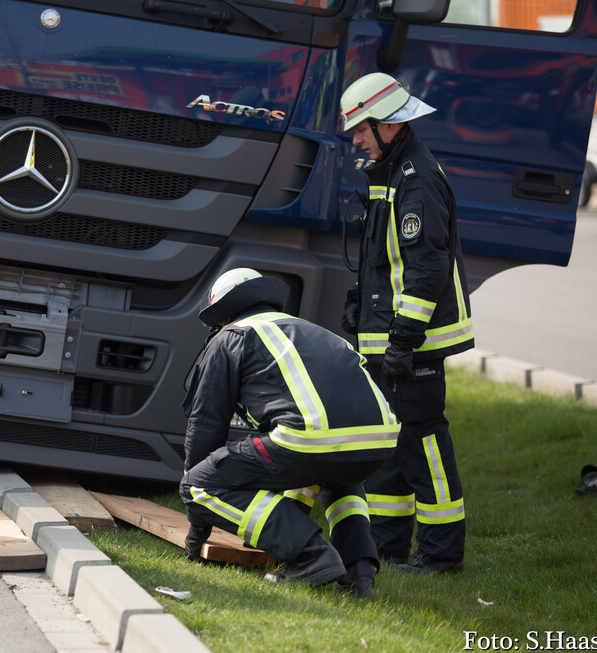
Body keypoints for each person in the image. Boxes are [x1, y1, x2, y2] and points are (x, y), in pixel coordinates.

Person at [179, 268, 400, 598]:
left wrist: (197, 521)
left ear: (223, 317)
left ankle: (311, 556)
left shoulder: (230, 337)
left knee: (197, 485)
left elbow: (206, 429)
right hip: (380, 437)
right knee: (336, 474)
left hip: (311, 437)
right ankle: (360, 571)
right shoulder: (309, 329)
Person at [339, 72, 474, 573]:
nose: (355, 140)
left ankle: (441, 557)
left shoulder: (415, 179)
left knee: (423, 443)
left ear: (388, 125)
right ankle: (388, 546)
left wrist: (401, 341)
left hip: (414, 345)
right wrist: (361, 303)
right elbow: (386, 260)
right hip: (391, 340)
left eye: (360, 129)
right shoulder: (391, 174)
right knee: (391, 447)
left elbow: (426, 268)